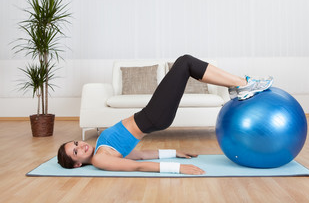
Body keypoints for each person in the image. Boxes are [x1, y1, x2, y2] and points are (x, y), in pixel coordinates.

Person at [57, 55, 273, 175]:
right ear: (77, 164)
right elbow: (137, 166)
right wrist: (178, 169)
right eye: (76, 152)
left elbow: (139, 155)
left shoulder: (101, 151)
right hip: (152, 117)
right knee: (185, 62)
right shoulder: (101, 160)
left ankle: (240, 85)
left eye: (75, 143)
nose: (81, 146)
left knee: (186, 64)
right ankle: (243, 84)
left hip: (152, 117)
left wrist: (174, 152)